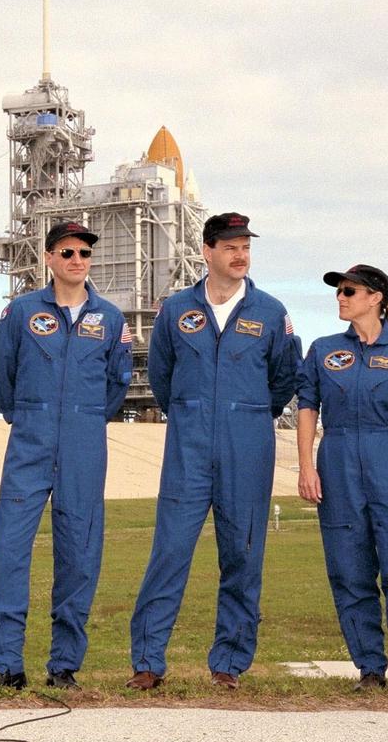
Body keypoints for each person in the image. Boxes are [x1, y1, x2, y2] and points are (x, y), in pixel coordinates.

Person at [127, 212, 300, 691]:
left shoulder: (271, 312)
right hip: (189, 441)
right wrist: (189, 411)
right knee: (170, 552)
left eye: (245, 246)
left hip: (248, 442)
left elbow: (284, 379)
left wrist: (246, 412)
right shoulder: (177, 309)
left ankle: (229, 662)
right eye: (230, 246)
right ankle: (147, 662)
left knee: (243, 555)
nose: (240, 254)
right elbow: (160, 375)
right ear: (207, 251)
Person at [0, 221, 133, 690]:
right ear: (48, 258)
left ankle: (64, 664)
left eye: (85, 253)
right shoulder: (21, 312)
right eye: (67, 253)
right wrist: (23, 415)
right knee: (10, 550)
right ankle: (5, 664)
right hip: (31, 437)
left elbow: (117, 382)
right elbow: (0, 371)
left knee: (80, 552)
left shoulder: (111, 319)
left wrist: (85, 419)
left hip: (85, 440)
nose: (77, 260)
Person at [296, 264, 388, 697]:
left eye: (349, 291)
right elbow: (308, 406)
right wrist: (307, 466)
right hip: (337, 460)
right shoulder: (323, 350)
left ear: (376, 297)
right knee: (349, 569)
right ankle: (369, 666)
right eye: (338, 292)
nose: (340, 298)